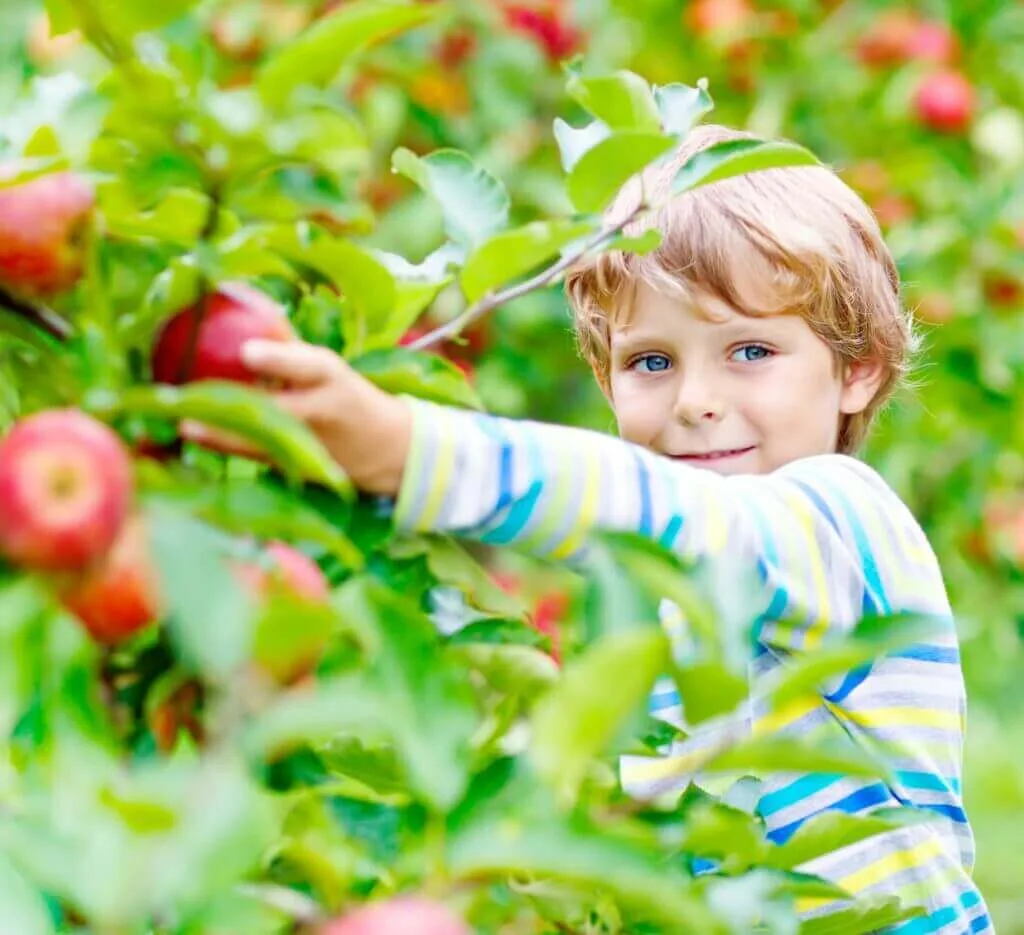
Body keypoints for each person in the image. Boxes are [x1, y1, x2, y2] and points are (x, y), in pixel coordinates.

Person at [184, 124, 990, 933]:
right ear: (605, 377)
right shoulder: (655, 621)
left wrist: (409, 450)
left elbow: (674, 518)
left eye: (749, 349)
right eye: (651, 362)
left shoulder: (843, 522)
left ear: (858, 370)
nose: (693, 400)